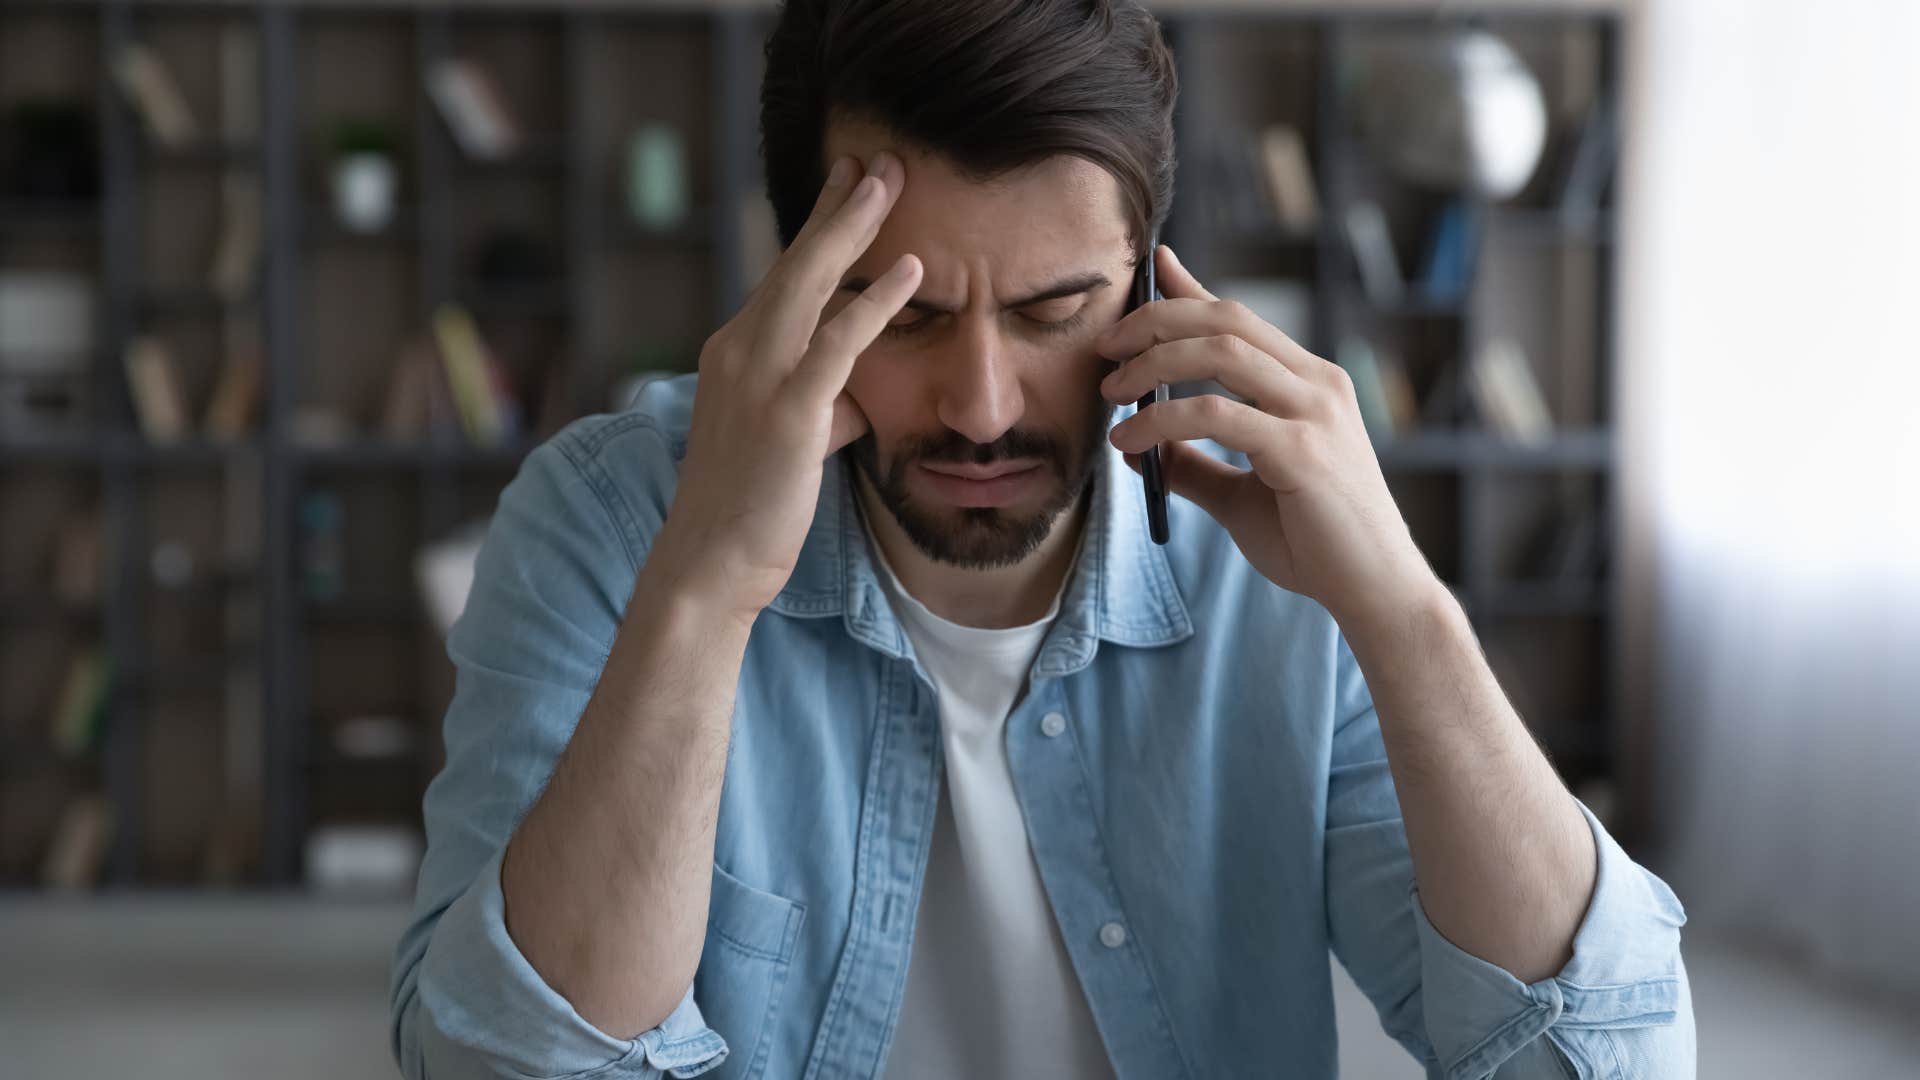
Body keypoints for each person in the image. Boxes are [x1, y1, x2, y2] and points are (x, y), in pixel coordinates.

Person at [389, 2, 1693, 1077]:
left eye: (1054, 308)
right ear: (793, 288)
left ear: (1148, 286)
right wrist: (706, 590)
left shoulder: (1274, 550)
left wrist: (1405, 615)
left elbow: (1594, 1063)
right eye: (902, 318)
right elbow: (501, 1065)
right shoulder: (611, 522)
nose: (983, 407)